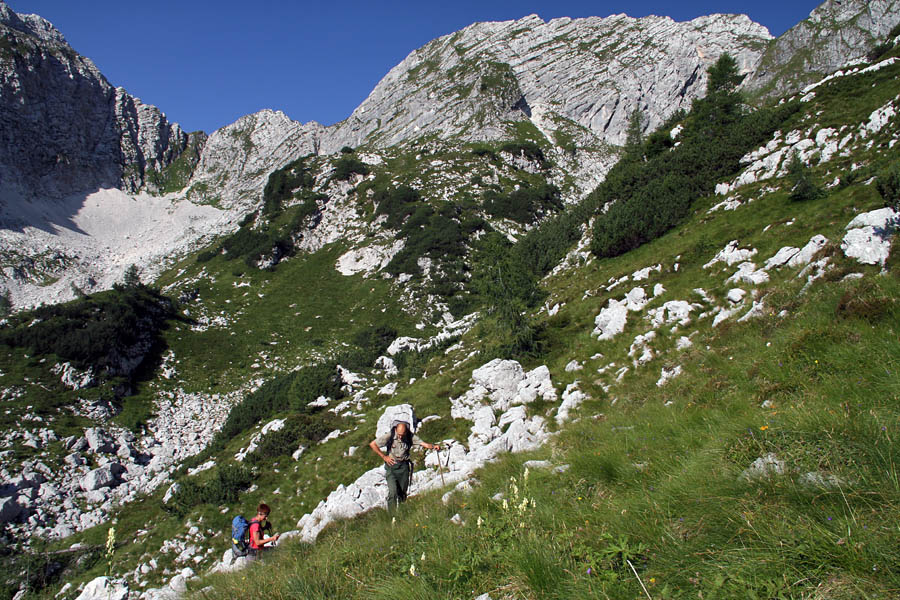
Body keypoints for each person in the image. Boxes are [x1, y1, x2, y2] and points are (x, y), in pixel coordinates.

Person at [369, 420, 440, 511]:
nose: (400, 436)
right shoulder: (390, 435)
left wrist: (434, 446)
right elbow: (373, 444)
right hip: (392, 467)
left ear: (406, 431)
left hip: (404, 467)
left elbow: (423, 444)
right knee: (393, 492)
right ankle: (392, 516)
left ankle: (402, 512)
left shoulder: (410, 436)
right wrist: (384, 457)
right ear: (395, 430)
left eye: (402, 434)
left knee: (402, 493)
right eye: (399, 434)